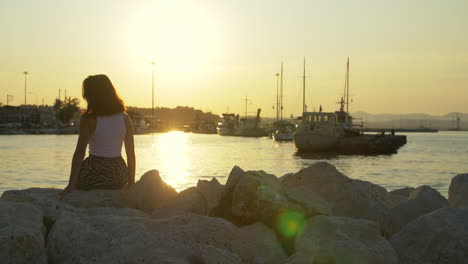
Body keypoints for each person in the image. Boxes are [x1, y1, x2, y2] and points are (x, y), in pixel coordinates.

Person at [59, 74, 135, 199]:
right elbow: (130, 154)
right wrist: (131, 183)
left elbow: (79, 152)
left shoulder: (88, 119)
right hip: (118, 175)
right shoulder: (125, 118)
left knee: (84, 175)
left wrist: (71, 184)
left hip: (93, 174)